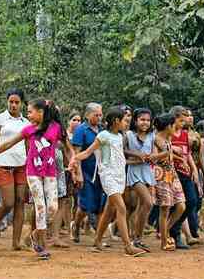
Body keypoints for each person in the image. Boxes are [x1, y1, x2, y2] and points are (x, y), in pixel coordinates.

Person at [0, 99, 74, 260]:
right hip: (33, 172)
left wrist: (74, 160)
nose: (28, 114)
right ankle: (41, 246)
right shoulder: (28, 129)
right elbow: (6, 144)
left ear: (41, 112)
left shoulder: (56, 128)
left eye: (30, 111)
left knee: (53, 208)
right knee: (40, 206)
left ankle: (34, 235)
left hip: (50, 173)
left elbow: (68, 148)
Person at [69, 106, 146, 257]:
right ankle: (127, 246)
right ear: (116, 121)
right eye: (124, 120)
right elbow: (88, 152)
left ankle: (97, 240)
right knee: (121, 208)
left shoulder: (119, 136)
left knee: (109, 209)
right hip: (108, 176)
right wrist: (74, 159)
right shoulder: (103, 136)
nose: (127, 123)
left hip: (119, 176)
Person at [0, 88, 30, 251]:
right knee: (7, 203)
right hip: (3, 164)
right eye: (11, 102)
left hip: (22, 165)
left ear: (22, 103)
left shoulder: (27, 122)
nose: (14, 105)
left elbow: (28, 146)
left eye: (17, 102)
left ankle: (16, 242)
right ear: (7, 101)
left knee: (19, 202)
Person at [70, 103, 106, 244]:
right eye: (95, 115)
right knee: (85, 204)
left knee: (99, 204)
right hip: (85, 171)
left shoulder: (102, 129)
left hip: (100, 172)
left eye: (100, 115)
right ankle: (76, 225)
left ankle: (98, 236)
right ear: (87, 115)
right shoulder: (81, 130)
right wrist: (77, 173)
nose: (98, 117)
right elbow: (76, 153)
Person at [152, 113, 186, 252]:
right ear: (168, 126)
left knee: (181, 206)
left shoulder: (167, 139)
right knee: (165, 209)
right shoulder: (156, 139)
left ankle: (163, 231)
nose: (175, 128)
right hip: (162, 176)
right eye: (173, 125)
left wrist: (180, 159)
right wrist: (168, 152)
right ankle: (164, 241)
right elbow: (153, 158)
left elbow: (169, 153)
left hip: (172, 175)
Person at [169, 106, 200, 249]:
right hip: (171, 172)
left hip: (185, 171)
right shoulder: (167, 133)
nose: (184, 123)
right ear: (174, 119)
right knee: (176, 204)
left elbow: (187, 155)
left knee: (192, 201)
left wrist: (194, 170)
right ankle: (174, 234)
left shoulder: (185, 135)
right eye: (181, 120)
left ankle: (174, 227)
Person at [124, 108, 155, 252]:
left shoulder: (151, 136)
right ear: (135, 121)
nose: (145, 122)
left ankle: (137, 237)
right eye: (142, 119)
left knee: (141, 206)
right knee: (148, 202)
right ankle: (136, 238)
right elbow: (123, 151)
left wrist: (154, 156)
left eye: (148, 120)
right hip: (134, 173)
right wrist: (137, 155)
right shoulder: (129, 135)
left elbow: (156, 152)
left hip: (147, 172)